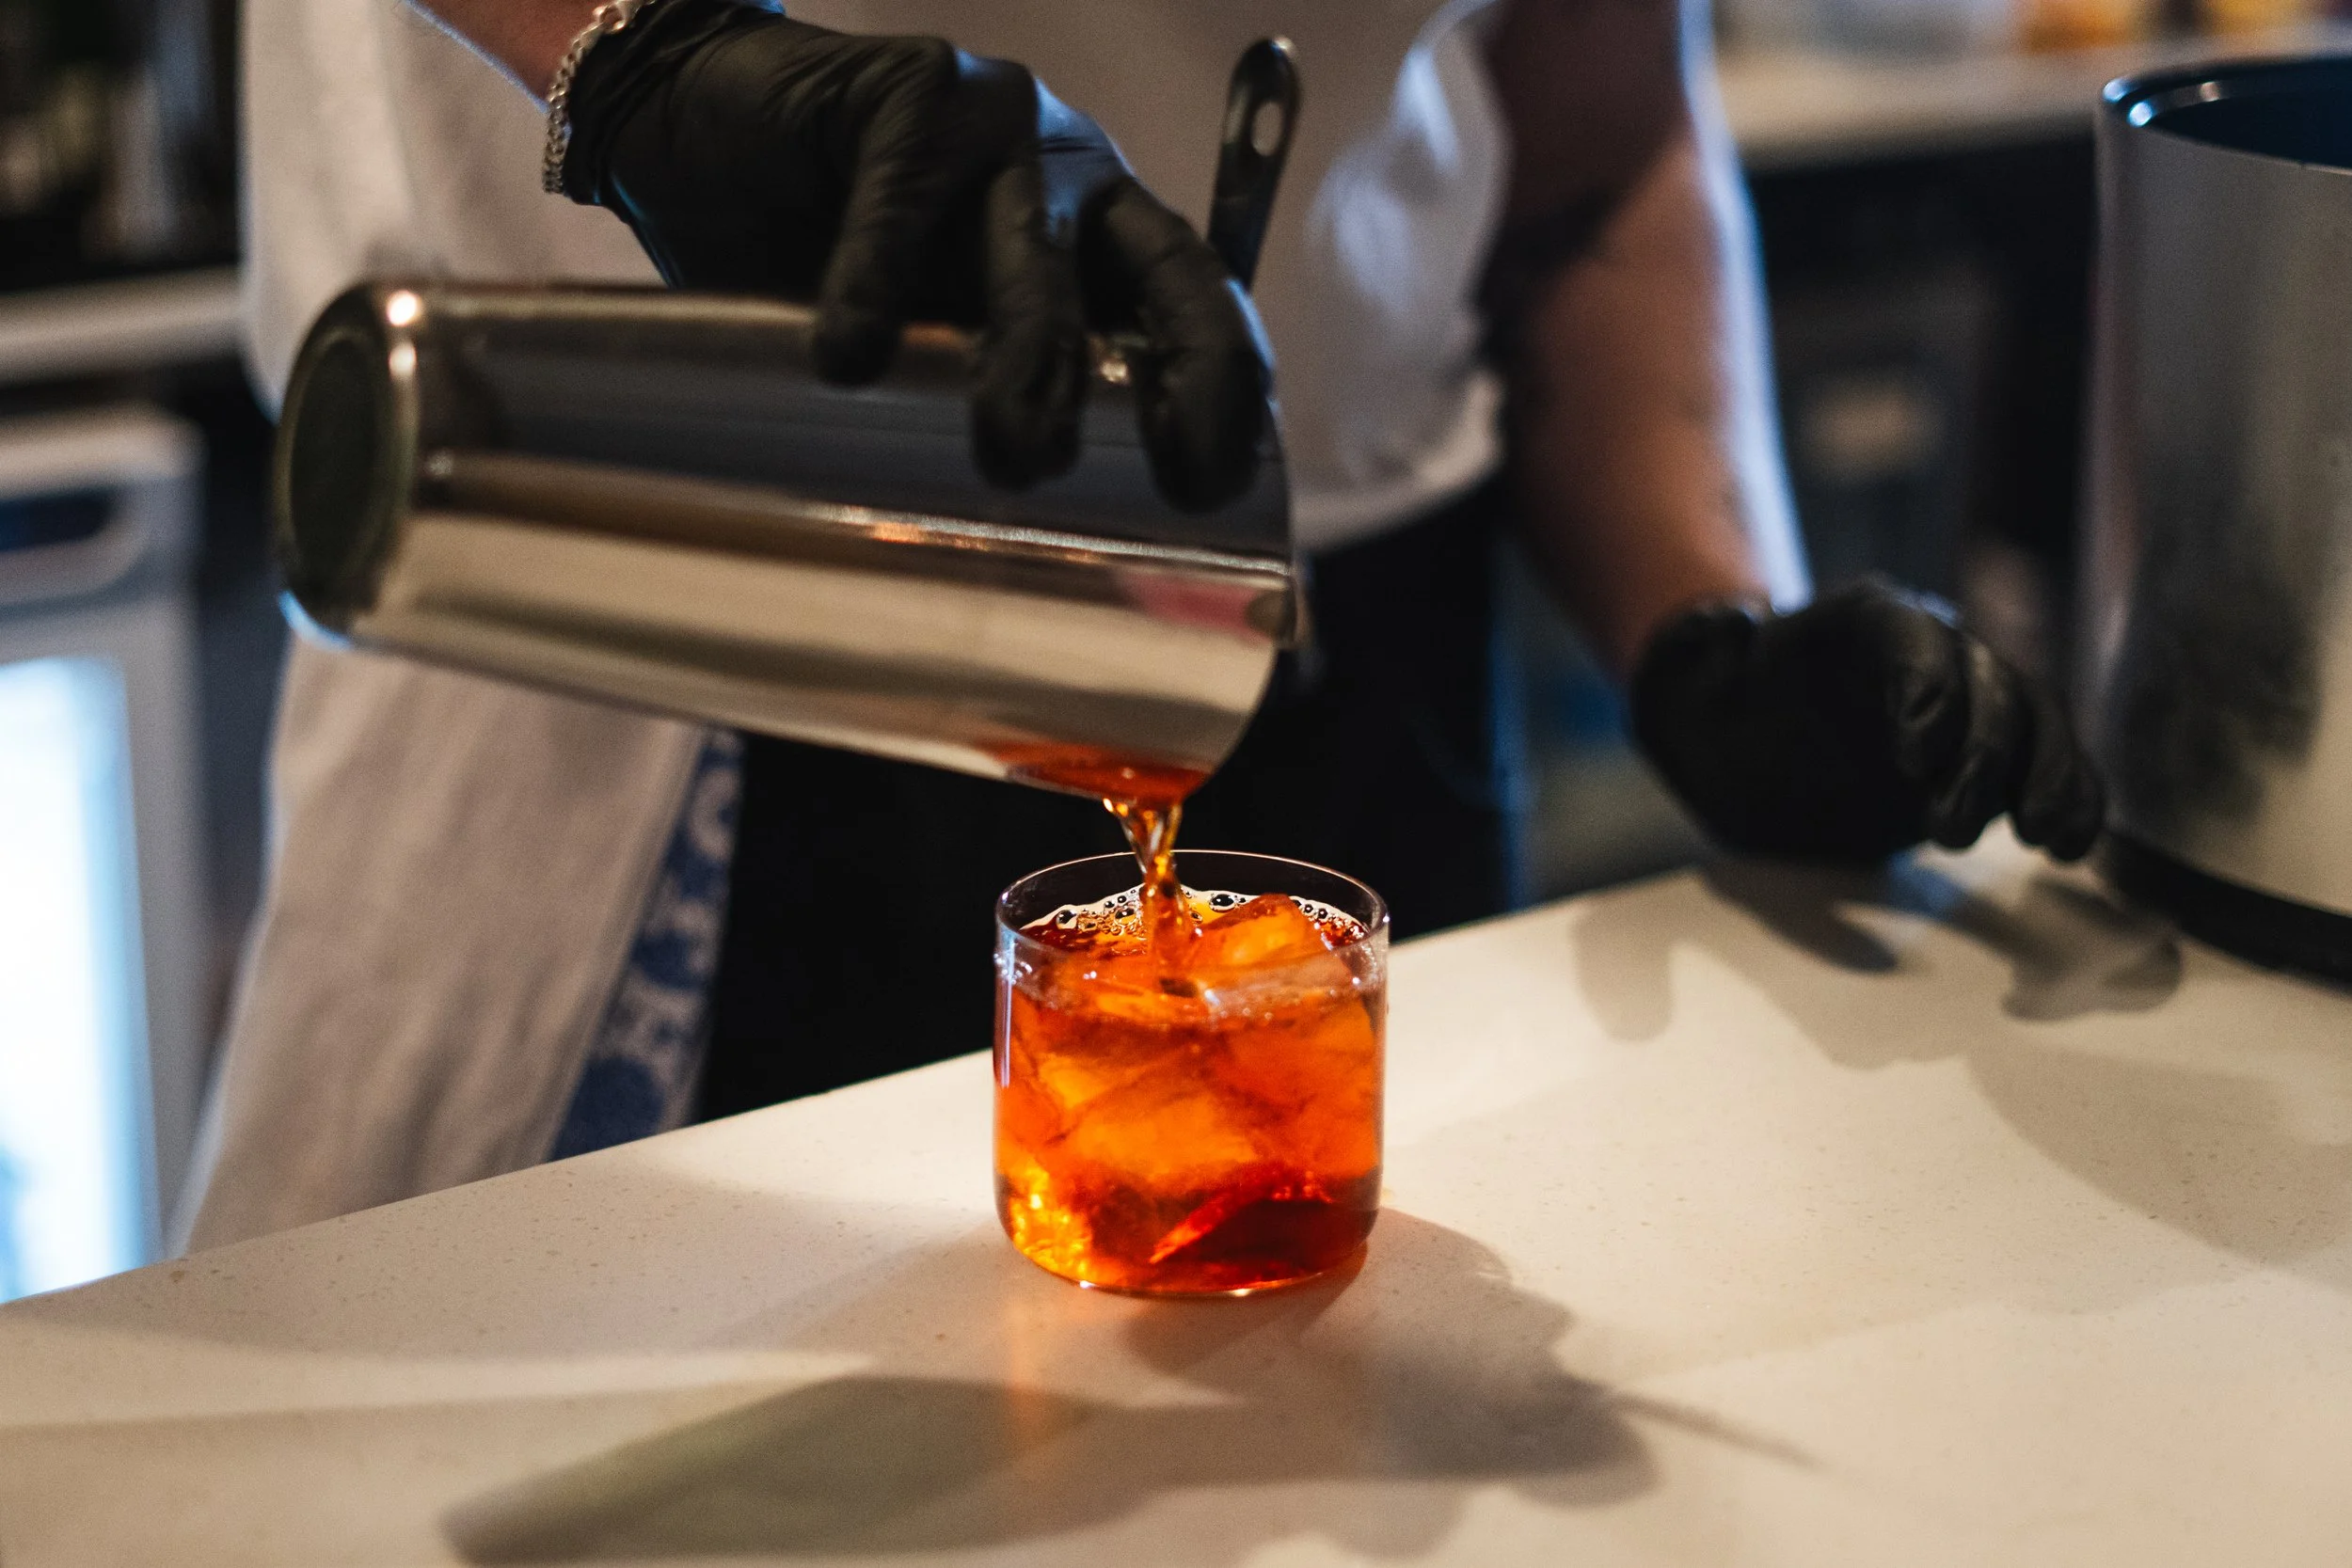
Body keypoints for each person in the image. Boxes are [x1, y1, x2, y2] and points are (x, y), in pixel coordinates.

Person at [182, 0, 2103, 1249]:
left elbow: (1590, 134)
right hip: (665, 619)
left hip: (1358, 670)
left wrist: (1709, 618)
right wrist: (637, 57)